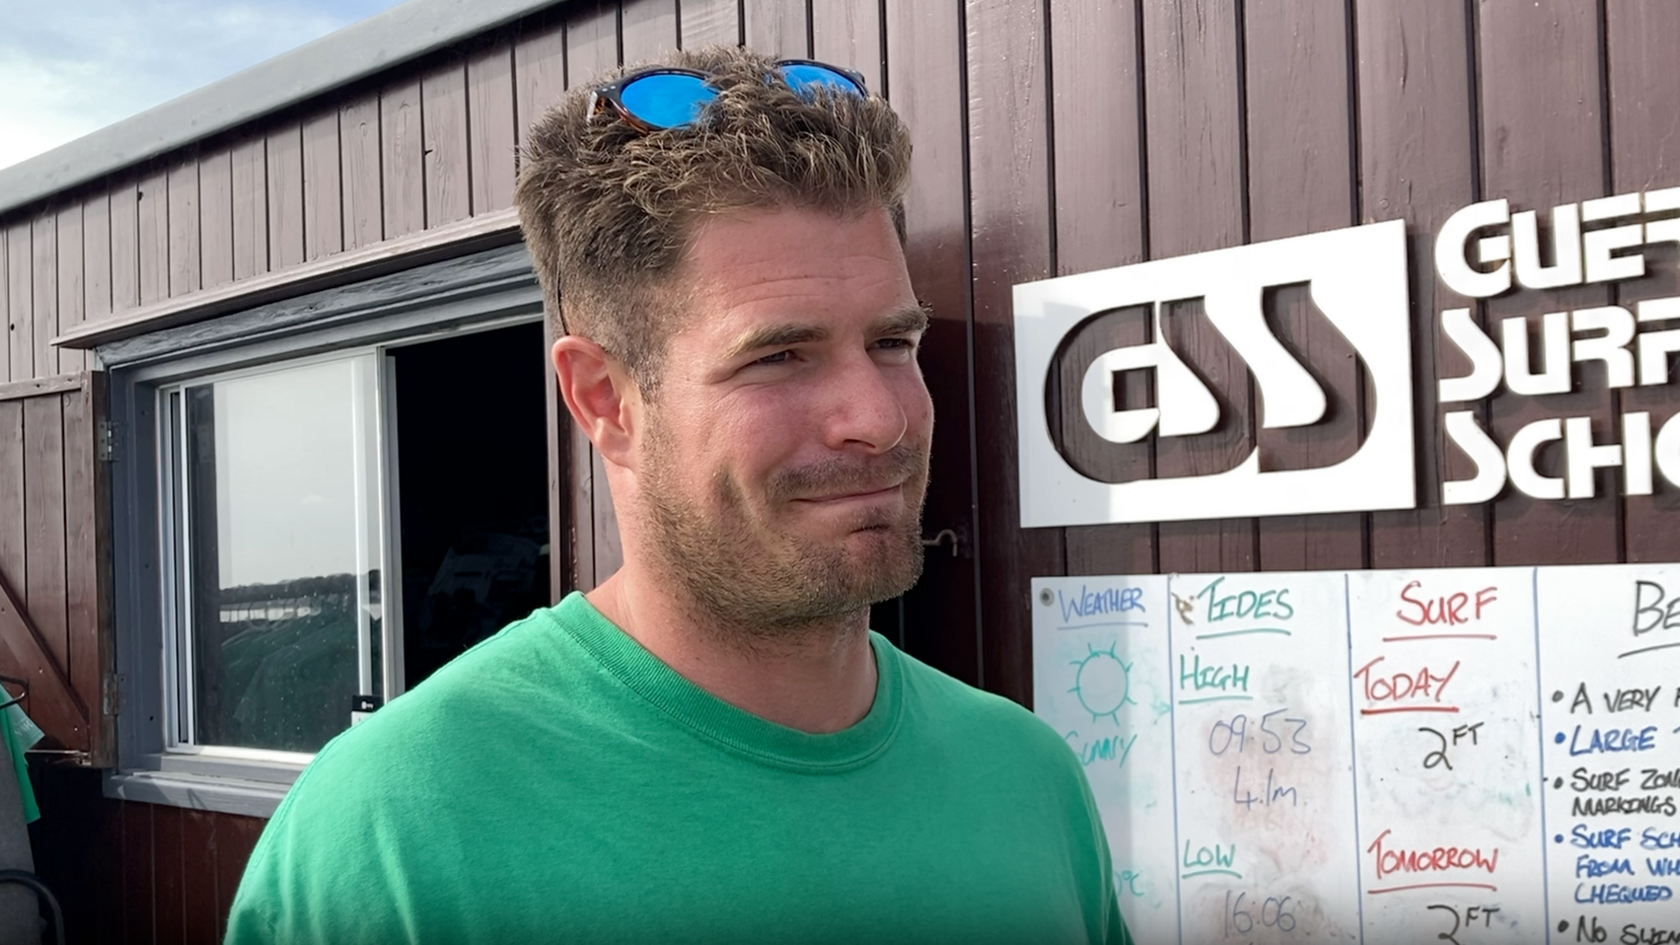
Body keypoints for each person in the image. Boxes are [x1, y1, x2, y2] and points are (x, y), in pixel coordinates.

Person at [225, 45, 1131, 945]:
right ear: (604, 399)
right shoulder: (392, 833)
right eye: (779, 355)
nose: (880, 418)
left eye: (893, 344)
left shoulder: (1027, 777)